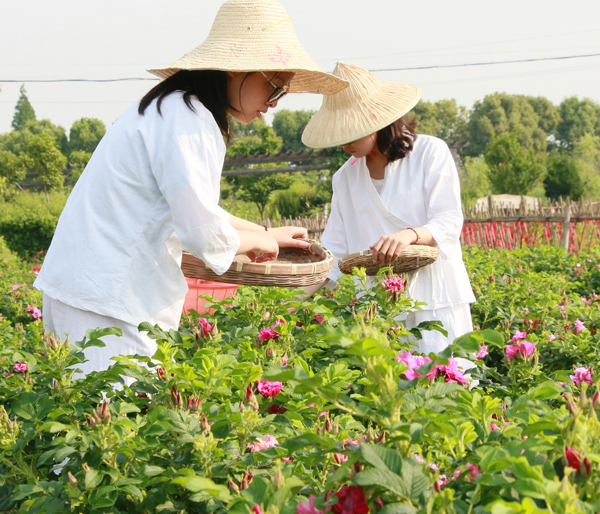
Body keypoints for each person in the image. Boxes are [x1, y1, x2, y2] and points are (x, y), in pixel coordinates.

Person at [33, 0, 348, 380]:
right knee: (117, 428)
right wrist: (259, 244)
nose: (274, 103)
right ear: (237, 67)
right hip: (108, 304)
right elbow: (202, 232)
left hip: (91, 291)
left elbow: (190, 208)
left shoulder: (171, 107)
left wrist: (265, 234)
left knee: (93, 420)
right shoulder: (191, 121)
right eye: (275, 86)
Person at [301, 63, 475, 355]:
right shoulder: (345, 177)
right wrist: (290, 302)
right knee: (389, 393)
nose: (344, 141)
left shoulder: (430, 152)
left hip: (435, 297)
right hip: (380, 308)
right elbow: (334, 249)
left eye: (351, 130)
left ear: (376, 120)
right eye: (339, 132)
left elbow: (449, 220)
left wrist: (409, 235)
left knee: (446, 385)